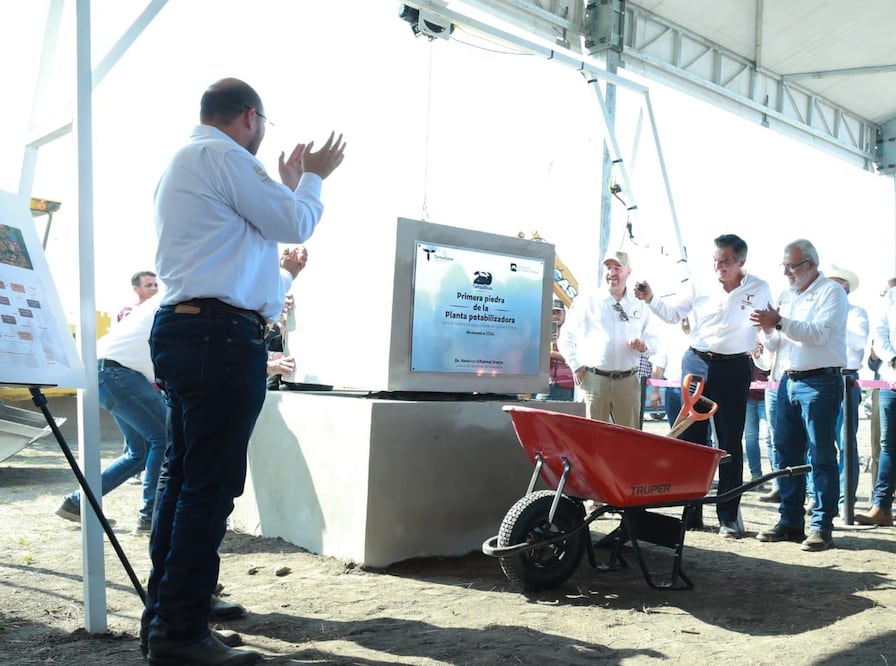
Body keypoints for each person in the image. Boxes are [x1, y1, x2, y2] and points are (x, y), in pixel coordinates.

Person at [143, 77, 345, 666]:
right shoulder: (223, 155)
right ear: (251, 119)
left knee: (184, 484)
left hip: (189, 330)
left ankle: (168, 618)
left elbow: (261, 231)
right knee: (206, 489)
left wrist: (283, 189)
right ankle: (180, 634)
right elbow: (296, 224)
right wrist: (312, 179)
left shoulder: (190, 161)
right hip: (219, 338)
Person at [635, 234, 772, 539]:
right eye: (715, 260)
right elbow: (673, 314)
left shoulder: (760, 288)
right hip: (696, 363)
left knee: (729, 442)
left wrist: (768, 340)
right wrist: (650, 298)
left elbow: (768, 325)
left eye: (725, 261)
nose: (718, 266)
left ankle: (728, 516)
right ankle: (691, 512)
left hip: (734, 367)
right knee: (693, 443)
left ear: (741, 262)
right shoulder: (699, 283)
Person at [751, 239, 847, 552]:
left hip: (821, 383)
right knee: (786, 455)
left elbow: (818, 335)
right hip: (787, 382)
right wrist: (767, 330)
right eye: (784, 266)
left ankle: (822, 526)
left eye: (791, 266)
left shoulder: (831, 292)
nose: (786, 272)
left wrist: (778, 321)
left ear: (810, 265)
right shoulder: (786, 296)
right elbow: (778, 344)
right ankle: (790, 521)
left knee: (820, 456)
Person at [54, 295, 166, 533]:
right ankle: (151, 517)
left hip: (108, 372)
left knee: (141, 451)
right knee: (165, 438)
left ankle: (77, 503)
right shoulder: (176, 300)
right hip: (119, 374)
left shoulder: (166, 299)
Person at [558, 250, 658, 428]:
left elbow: (654, 342)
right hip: (594, 382)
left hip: (628, 382)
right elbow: (566, 336)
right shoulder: (588, 301)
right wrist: (575, 365)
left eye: (617, 268)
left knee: (629, 441)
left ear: (628, 271)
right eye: (608, 267)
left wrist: (644, 346)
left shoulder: (640, 304)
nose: (612, 273)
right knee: (590, 439)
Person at [827, 265, 868, 517]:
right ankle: (818, 496)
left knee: (845, 442)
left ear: (845, 288)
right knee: (818, 443)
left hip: (846, 379)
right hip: (822, 377)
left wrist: (831, 325)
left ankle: (845, 500)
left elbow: (857, 342)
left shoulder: (856, 313)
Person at [855, 287, 896, 527]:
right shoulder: (891, 297)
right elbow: (879, 334)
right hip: (891, 381)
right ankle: (881, 506)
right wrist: (893, 358)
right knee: (887, 446)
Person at [649, 318, 691, 423]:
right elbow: (658, 366)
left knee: (701, 434)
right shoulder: (668, 335)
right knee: (675, 432)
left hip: (698, 391)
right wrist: (655, 392)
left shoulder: (702, 334)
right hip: (674, 391)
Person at [537, 297, 575, 401]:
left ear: (564, 314)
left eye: (558, 312)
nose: (555, 316)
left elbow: (575, 357)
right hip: (544, 383)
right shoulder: (540, 332)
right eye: (552, 312)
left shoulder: (572, 333)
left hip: (566, 384)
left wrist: (551, 353)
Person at [744, 345, 771, 483]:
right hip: (748, 397)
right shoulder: (745, 341)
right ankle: (756, 476)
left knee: (768, 437)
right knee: (750, 437)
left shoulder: (770, 339)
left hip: (766, 395)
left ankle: (776, 478)